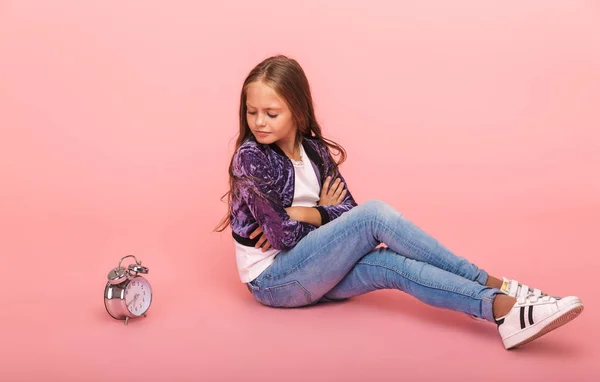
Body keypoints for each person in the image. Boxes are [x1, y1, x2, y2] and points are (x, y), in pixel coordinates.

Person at [214, 54, 584, 350]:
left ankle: (505, 311)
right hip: (274, 281)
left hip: (314, 270)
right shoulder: (251, 157)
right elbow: (284, 237)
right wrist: (314, 218)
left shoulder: (313, 151)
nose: (259, 122)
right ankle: (496, 282)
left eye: (271, 113)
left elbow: (345, 210)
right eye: (252, 112)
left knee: (390, 265)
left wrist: (307, 213)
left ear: (296, 109)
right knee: (375, 215)